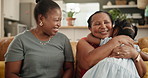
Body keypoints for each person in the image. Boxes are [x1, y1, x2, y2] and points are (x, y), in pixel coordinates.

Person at [4, 0, 74, 78]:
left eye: (60, 20)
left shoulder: (63, 40)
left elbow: (69, 68)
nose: (59, 24)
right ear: (41, 19)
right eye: (56, 20)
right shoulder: (20, 40)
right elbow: (11, 74)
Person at [75, 11, 146, 78]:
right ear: (90, 28)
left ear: (112, 26)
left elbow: (142, 73)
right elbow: (87, 63)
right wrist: (116, 41)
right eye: (97, 24)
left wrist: (135, 55)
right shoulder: (84, 42)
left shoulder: (125, 44)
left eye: (106, 22)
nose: (103, 26)